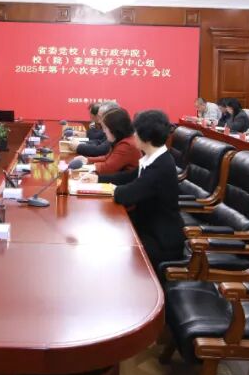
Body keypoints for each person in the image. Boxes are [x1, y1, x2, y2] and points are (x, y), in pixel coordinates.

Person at [110, 110, 184, 269]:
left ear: (147, 138)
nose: (134, 135)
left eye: (136, 132)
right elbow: (128, 177)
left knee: (115, 256)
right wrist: (96, 179)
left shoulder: (160, 167)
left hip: (160, 241)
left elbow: (126, 195)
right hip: (147, 228)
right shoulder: (154, 158)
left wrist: (110, 189)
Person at [77, 107, 141, 178]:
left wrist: (88, 167)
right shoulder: (121, 140)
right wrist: (87, 160)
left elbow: (108, 168)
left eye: (105, 128)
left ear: (114, 129)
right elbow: (107, 158)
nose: (104, 131)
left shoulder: (126, 145)